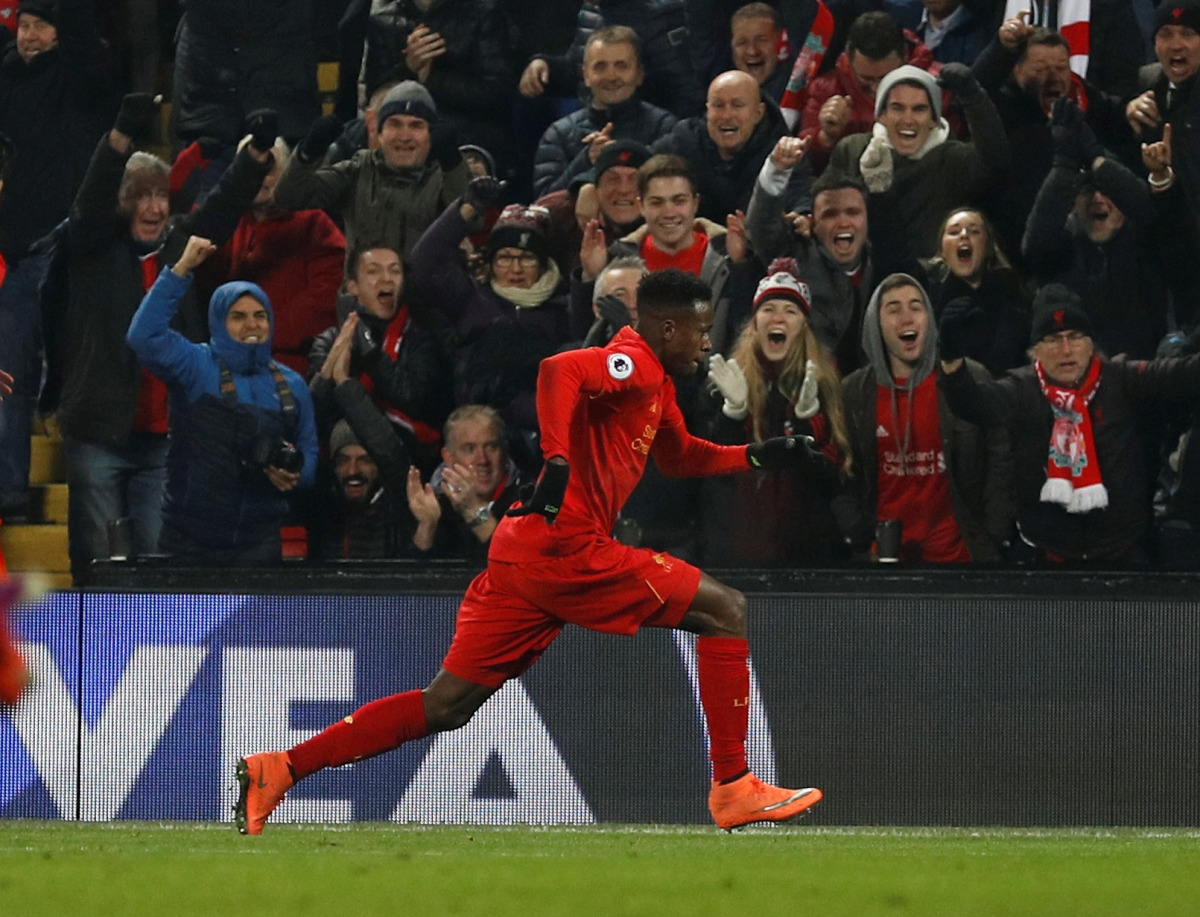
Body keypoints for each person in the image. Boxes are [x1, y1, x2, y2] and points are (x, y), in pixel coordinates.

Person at [234, 267, 826, 836]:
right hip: (568, 549)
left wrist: (757, 455)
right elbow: (556, 371)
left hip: (524, 552)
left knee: (445, 704)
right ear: (669, 330)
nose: (706, 345)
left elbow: (679, 457)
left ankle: (280, 768)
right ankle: (733, 784)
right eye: (700, 332)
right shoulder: (634, 364)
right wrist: (559, 459)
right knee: (726, 609)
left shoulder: (658, 384)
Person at [45, 96, 276, 584]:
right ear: (120, 201)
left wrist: (254, 156)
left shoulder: (180, 243)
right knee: (98, 567)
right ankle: (94, 658)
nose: (152, 207)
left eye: (159, 196)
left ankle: (144, 659)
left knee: (153, 569)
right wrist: (120, 136)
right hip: (98, 432)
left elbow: (223, 207)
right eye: (139, 195)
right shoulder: (90, 245)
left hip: (163, 440)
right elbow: (89, 200)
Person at [938, 284, 1200, 563]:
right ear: (1035, 351)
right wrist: (951, 359)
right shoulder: (1023, 388)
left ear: (1090, 345)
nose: (1066, 349)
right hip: (1045, 557)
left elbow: (1178, 374)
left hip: (1123, 555)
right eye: (1053, 339)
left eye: (1075, 337)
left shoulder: (1119, 378)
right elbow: (974, 404)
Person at [126, 234, 318, 564]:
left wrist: (295, 475)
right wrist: (182, 268)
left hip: (259, 544)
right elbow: (144, 336)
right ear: (218, 321)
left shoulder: (293, 384)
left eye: (260, 315)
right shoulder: (195, 365)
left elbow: (310, 450)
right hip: (188, 543)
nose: (252, 325)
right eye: (238, 316)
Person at [0, 0, 118, 522]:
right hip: (16, 254)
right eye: (22, 25)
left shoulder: (82, 76)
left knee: (79, 372)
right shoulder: (5, 79)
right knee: (9, 376)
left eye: (39, 26)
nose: (28, 36)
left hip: (74, 253)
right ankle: (10, 495)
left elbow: (87, 52)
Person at [835, 272, 1013, 562]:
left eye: (916, 307)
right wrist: (855, 529)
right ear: (875, 325)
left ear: (929, 318)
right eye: (894, 309)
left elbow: (999, 457)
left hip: (959, 559)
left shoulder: (966, 378)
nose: (907, 318)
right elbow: (842, 471)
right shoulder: (855, 392)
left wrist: (994, 533)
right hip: (883, 562)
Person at [700, 259, 852, 565]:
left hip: (806, 557)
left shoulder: (826, 387)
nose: (777, 318)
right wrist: (733, 414)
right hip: (736, 555)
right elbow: (711, 476)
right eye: (768, 310)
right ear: (755, 323)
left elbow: (832, 483)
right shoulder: (725, 383)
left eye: (790, 311)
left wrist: (804, 423)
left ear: (803, 327)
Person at [410, 178, 571, 450]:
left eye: (527, 258)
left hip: (544, 440)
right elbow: (425, 262)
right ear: (492, 262)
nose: (515, 269)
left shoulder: (563, 308)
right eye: (505, 257)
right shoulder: (472, 298)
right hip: (476, 441)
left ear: (543, 264)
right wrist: (467, 209)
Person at [827, 61, 1009, 276]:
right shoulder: (853, 151)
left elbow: (995, 160)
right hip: (862, 279)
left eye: (919, 109)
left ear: (934, 120)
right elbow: (826, 209)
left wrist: (974, 97)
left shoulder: (951, 159)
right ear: (881, 115)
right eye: (897, 108)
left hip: (932, 282)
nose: (908, 119)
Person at [197, 134, 345, 377]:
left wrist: (257, 333)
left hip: (289, 369)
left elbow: (327, 298)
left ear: (287, 173)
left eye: (270, 168)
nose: (261, 178)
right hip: (226, 364)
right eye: (252, 168)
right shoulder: (225, 226)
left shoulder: (314, 223)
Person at [272, 81, 471, 261]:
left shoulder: (444, 177)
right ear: (379, 133)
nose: (404, 136)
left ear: (431, 134)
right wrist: (308, 154)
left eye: (416, 126)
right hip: (362, 297)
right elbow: (289, 196)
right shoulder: (357, 170)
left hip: (427, 299)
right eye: (394, 124)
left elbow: (469, 218)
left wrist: (452, 162)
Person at [309, 242, 454, 476]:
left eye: (395, 271)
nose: (386, 279)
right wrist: (330, 369)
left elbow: (413, 397)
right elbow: (314, 412)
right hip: (339, 461)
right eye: (374, 271)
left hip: (411, 462)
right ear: (352, 286)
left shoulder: (422, 336)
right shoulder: (330, 341)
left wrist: (366, 346)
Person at [592, 153, 758, 355]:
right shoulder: (618, 261)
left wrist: (740, 265)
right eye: (657, 202)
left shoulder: (726, 257)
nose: (669, 212)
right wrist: (591, 276)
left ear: (695, 203)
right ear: (641, 206)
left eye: (678, 201)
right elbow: (587, 335)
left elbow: (745, 332)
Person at [746, 140, 876, 373]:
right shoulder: (797, 258)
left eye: (853, 212)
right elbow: (761, 226)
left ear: (868, 220)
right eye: (830, 214)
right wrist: (777, 170)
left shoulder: (886, 264)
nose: (843, 222)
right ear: (813, 224)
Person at [532, 26, 676, 198]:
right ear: (585, 75)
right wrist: (586, 160)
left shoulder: (665, 127)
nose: (611, 76)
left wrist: (615, 158)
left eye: (621, 66)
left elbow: (676, 193)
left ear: (639, 74)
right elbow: (544, 204)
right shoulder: (558, 134)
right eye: (600, 67)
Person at [652, 69, 811, 223]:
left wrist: (803, 215)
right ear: (707, 111)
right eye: (718, 105)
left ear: (758, 113)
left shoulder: (781, 153)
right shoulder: (686, 139)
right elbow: (642, 162)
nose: (727, 115)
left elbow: (802, 193)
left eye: (737, 105)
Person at [798, 10, 938, 175]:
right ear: (849, 59)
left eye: (887, 78)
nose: (878, 89)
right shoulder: (826, 89)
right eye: (866, 79)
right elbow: (801, 163)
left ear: (905, 55)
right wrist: (826, 137)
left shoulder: (937, 87)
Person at [916, 207, 1030, 377]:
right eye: (954, 232)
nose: (963, 235)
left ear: (988, 247)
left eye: (974, 231)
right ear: (942, 252)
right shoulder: (927, 301)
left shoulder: (1014, 298)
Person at [405, 404, 523, 564]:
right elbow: (411, 581)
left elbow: (514, 566)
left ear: (504, 451)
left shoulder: (529, 499)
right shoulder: (433, 503)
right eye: (469, 449)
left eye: (491, 447)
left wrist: (475, 512)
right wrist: (427, 526)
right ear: (448, 457)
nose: (482, 460)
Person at [308, 416, 421, 561]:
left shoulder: (402, 515)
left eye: (365, 460)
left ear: (380, 465)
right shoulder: (322, 513)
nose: (352, 471)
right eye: (343, 461)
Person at [1126, 0, 1200, 218]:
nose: (1176, 45)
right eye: (1166, 34)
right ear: (1155, 45)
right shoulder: (1148, 85)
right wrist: (1128, 109)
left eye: (1187, 34)